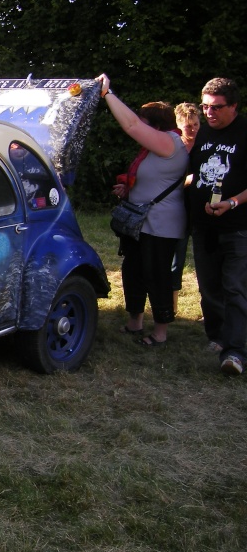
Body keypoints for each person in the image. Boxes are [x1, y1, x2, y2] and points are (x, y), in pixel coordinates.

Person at [97, 73, 188, 347]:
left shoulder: (171, 142)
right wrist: (129, 190)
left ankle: (160, 332)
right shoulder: (153, 149)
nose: (142, 131)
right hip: (140, 223)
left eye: (148, 125)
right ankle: (135, 322)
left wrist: (106, 94)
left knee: (156, 274)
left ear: (158, 126)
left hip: (160, 225)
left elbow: (132, 125)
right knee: (133, 269)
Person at [187, 77, 247, 375]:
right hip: (203, 225)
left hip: (237, 225)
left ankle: (235, 353)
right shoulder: (201, 132)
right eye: (205, 106)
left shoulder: (244, 132)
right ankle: (217, 337)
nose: (209, 113)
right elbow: (193, 171)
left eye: (216, 107)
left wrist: (233, 202)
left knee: (235, 287)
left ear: (233, 106)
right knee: (209, 286)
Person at [170, 103, 202, 313]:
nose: (192, 130)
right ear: (178, 125)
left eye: (196, 125)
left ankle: (208, 308)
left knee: (207, 263)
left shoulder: (206, 146)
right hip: (178, 211)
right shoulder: (172, 149)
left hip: (202, 211)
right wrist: (186, 181)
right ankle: (172, 309)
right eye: (187, 126)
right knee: (175, 262)